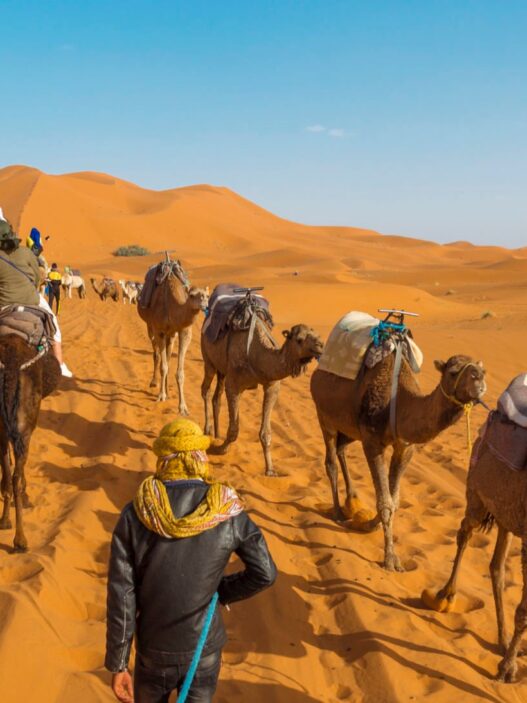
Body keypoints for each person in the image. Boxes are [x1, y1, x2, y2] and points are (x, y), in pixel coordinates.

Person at [105, 419, 277, 703]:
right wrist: (220, 592)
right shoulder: (225, 509)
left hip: (153, 652)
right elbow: (265, 573)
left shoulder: (137, 512)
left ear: (163, 458)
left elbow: (122, 594)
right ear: (201, 456)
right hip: (203, 651)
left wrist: (119, 663)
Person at [0, 217, 73, 377]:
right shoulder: (26, 252)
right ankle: (60, 364)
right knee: (52, 323)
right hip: (32, 300)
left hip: (4, 304)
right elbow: (37, 278)